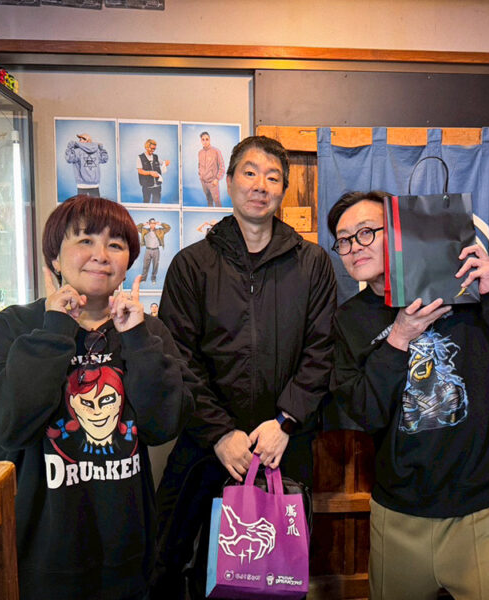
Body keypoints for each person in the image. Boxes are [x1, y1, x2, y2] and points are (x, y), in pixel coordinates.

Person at [327, 191, 489, 600]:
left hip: (481, 510)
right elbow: (366, 412)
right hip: (398, 514)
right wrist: (399, 338)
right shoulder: (350, 319)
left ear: (399, 233)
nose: (355, 246)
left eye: (367, 232)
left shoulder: (468, 290)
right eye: (344, 240)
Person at [152, 135, 336, 599]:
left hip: (281, 445)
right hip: (205, 442)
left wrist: (286, 421)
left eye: (273, 178)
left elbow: (322, 349)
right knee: (170, 559)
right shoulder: (192, 264)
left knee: (274, 572)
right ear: (230, 181)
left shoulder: (312, 264)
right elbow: (178, 356)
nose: (260, 185)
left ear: (283, 191)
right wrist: (219, 433)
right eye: (250, 173)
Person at [0, 195, 195, 600]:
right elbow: (10, 426)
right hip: (39, 558)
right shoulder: (13, 326)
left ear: (128, 262)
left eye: (115, 244)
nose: (101, 255)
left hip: (127, 558)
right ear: (55, 256)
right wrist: (55, 328)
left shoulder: (148, 332)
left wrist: (137, 338)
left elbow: (162, 426)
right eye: (85, 240)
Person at [137, 218, 171, 285]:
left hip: (156, 250)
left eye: (154, 223)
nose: (152, 225)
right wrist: (143, 224)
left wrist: (160, 224)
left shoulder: (160, 231)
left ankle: (153, 278)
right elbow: (136, 228)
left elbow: (168, 228)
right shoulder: (144, 230)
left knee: (155, 265)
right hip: (148, 250)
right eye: (151, 223)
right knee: (145, 265)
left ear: (155, 224)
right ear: (149, 224)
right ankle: (143, 279)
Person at [137, 139, 170, 204]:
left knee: (157, 203)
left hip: (157, 186)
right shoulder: (140, 157)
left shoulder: (155, 157)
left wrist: (166, 163)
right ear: (146, 147)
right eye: (151, 148)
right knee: (146, 203)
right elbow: (140, 171)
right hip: (147, 186)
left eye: (154, 149)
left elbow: (162, 163)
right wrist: (150, 173)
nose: (153, 150)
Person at [197, 131, 225, 207]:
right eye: (203, 139)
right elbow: (199, 165)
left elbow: (222, 166)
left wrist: (217, 179)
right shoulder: (200, 153)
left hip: (213, 182)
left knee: (217, 201)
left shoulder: (216, 151)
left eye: (207, 139)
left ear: (210, 140)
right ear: (201, 141)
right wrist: (200, 175)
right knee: (209, 201)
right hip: (204, 182)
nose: (205, 141)